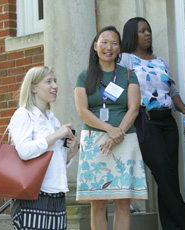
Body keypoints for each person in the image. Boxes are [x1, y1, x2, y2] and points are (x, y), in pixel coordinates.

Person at [120, 17, 185, 230]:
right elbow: (120, 90)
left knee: (170, 172)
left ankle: (171, 226)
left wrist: (183, 108)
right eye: (142, 31)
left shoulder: (161, 61)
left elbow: (171, 89)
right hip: (146, 123)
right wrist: (133, 111)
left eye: (149, 30)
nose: (147, 34)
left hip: (168, 122)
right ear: (131, 35)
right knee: (162, 168)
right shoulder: (125, 59)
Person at [74, 26, 148, 230]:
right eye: (104, 42)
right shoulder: (84, 76)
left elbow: (133, 109)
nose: (109, 47)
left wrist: (118, 133)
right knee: (97, 201)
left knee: (123, 200)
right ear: (95, 45)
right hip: (94, 141)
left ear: (120, 49)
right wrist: (109, 129)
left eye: (114, 43)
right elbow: (82, 111)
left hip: (125, 139)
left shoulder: (128, 75)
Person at [8, 66, 78, 230]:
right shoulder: (23, 114)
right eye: (48, 82)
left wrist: (71, 152)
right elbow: (24, 151)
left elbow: (53, 159)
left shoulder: (52, 119)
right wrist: (56, 135)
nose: (55, 86)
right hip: (34, 197)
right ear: (33, 88)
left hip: (57, 195)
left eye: (55, 81)